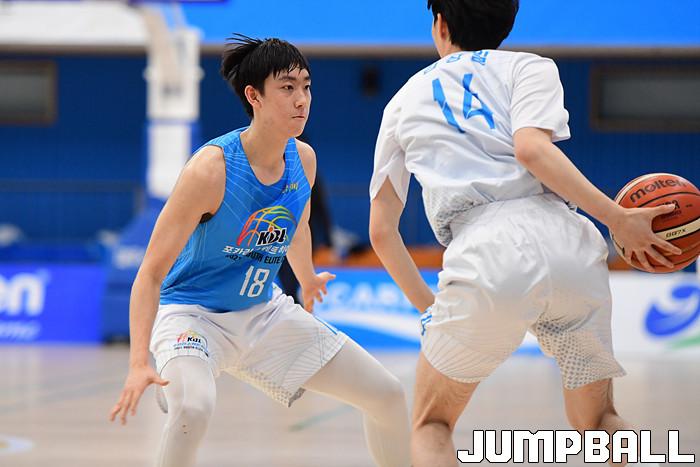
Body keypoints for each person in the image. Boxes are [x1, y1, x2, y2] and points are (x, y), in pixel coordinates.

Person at [368, 1, 680, 466]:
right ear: (507, 22)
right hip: (569, 245)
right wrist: (614, 217)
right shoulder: (532, 67)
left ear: (440, 24)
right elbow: (534, 148)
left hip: (486, 251)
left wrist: (429, 308)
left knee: (432, 425)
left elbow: (381, 231)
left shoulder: (403, 100)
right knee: (600, 420)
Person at [110, 35, 410, 467]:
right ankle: (181, 375)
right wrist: (139, 362)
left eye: (306, 86)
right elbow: (150, 274)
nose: (302, 99)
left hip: (264, 313)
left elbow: (297, 226)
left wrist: (306, 277)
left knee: (387, 394)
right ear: (254, 96)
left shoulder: (304, 159)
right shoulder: (209, 170)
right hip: (194, 316)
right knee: (193, 409)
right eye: (287, 88)